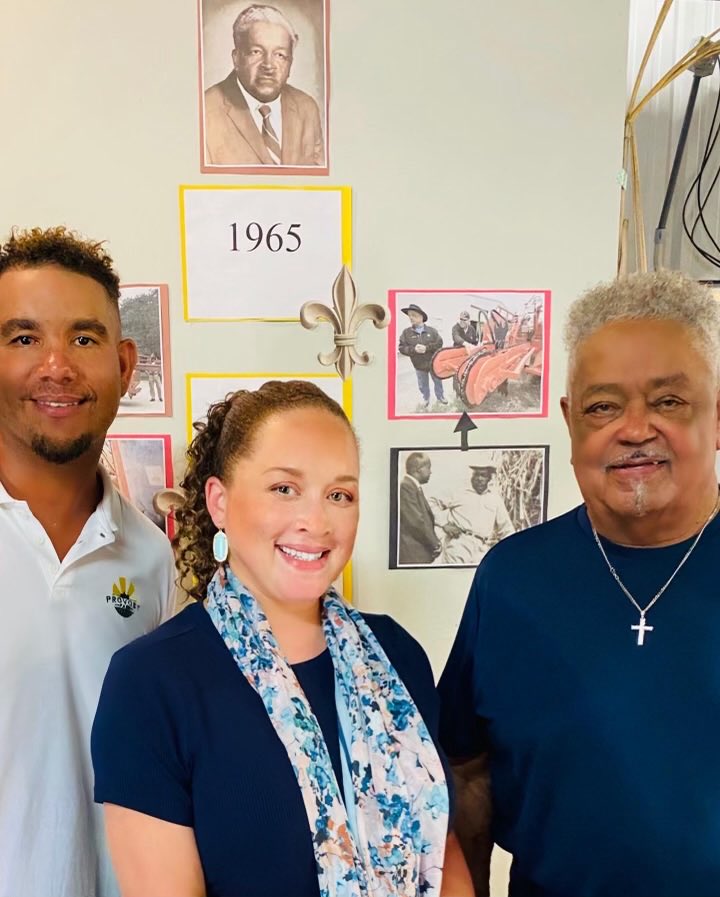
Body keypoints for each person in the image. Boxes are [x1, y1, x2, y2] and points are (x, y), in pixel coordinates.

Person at [91, 381, 473, 897]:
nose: (316, 522)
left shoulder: (395, 654)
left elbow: (441, 852)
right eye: (284, 489)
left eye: (339, 495)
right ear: (219, 502)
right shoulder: (152, 683)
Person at [438, 270, 720, 897]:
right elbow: (469, 771)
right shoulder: (511, 581)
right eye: (603, 406)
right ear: (571, 423)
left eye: (669, 401)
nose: (635, 428)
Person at [0, 226, 176, 897]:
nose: (56, 366)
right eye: (24, 338)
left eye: (83, 338)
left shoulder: (151, 558)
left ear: (126, 365)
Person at [204, 4, 325, 167]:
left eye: (280, 55)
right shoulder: (206, 110)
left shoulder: (307, 109)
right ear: (236, 58)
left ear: (290, 64)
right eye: (256, 52)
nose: (268, 65)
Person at [431, 457, 514, 565]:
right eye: (476, 475)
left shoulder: (494, 499)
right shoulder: (459, 492)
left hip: (482, 549)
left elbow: (506, 529)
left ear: (489, 478)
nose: (479, 479)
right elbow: (431, 503)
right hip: (459, 544)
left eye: (483, 475)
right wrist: (444, 524)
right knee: (455, 574)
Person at [398, 303, 448, 410]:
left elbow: (439, 343)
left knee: (438, 382)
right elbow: (401, 348)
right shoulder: (406, 333)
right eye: (409, 315)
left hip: (433, 364)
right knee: (422, 385)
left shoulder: (432, 331)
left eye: (413, 315)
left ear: (421, 317)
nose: (411, 318)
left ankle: (440, 397)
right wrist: (413, 349)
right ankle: (426, 398)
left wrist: (427, 348)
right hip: (419, 366)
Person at [398, 452, 442, 565]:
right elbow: (416, 521)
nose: (430, 472)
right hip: (413, 553)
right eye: (428, 468)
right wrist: (435, 543)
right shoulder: (406, 487)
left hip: (418, 552)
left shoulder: (413, 487)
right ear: (418, 469)